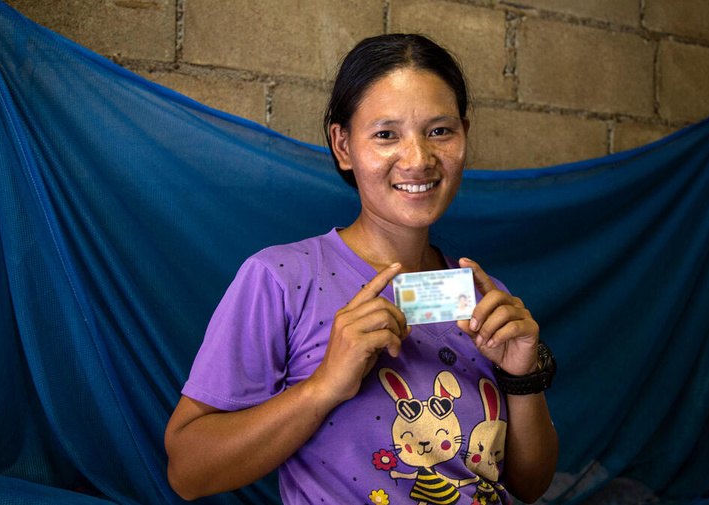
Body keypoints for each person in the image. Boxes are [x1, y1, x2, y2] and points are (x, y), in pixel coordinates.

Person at [165, 33, 558, 504]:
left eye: (440, 131)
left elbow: (529, 487)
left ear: (464, 135)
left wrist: (522, 379)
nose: (419, 159)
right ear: (343, 144)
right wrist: (323, 386)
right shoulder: (282, 279)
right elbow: (188, 471)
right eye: (386, 134)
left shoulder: (486, 295)